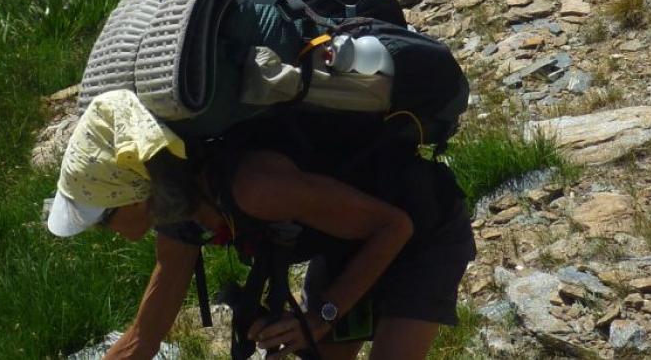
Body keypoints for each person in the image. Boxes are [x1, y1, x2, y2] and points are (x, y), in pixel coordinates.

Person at [47, 89, 475, 360]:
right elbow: (143, 340)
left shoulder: (254, 188)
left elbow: (393, 227)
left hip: (421, 231)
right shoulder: (179, 217)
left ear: (134, 191)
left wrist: (324, 315)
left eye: (104, 219)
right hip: (344, 244)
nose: (107, 231)